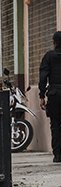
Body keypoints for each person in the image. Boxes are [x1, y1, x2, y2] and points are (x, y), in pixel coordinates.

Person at [38, 30, 61, 163]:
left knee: (55, 124)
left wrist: (42, 95)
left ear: (53, 42)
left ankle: (57, 154)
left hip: (54, 94)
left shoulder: (49, 56)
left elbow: (43, 77)